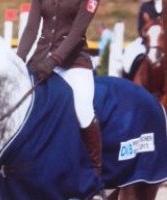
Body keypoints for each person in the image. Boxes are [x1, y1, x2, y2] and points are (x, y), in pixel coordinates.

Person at [17, 0, 102, 178]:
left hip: (74, 62)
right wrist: (17, 61)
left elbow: (77, 32)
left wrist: (55, 60)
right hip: (40, 59)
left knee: (82, 111)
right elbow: (31, 29)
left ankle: (95, 173)